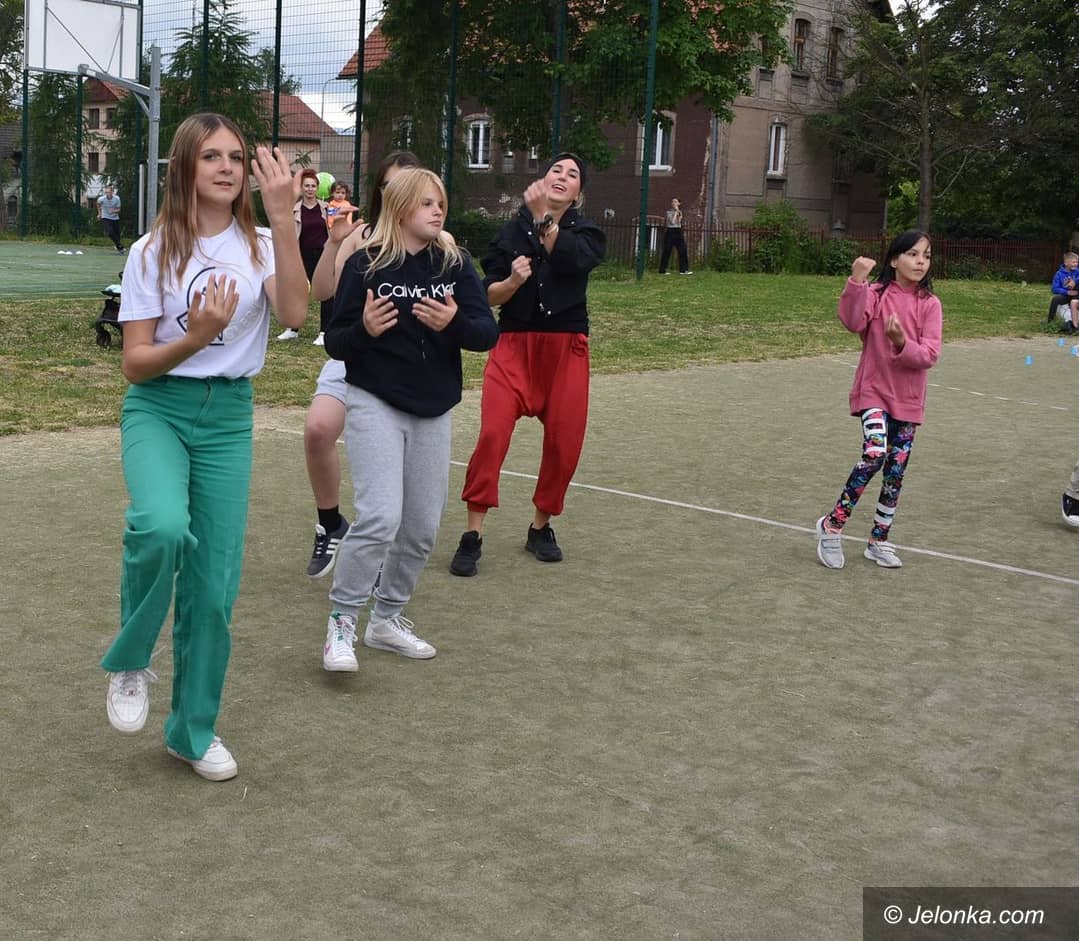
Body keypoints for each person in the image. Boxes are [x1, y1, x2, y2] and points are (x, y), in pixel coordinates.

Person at [100, 113, 308, 781]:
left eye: (237, 158)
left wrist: (285, 220)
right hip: (159, 407)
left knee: (213, 588)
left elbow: (297, 314)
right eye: (212, 156)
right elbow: (135, 364)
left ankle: (191, 732)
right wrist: (195, 336)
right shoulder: (151, 251)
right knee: (162, 526)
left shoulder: (262, 244)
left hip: (228, 418)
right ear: (186, 166)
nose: (227, 168)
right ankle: (132, 659)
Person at [320, 167, 497, 670]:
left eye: (440, 202)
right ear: (399, 208)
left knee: (420, 528)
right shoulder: (365, 265)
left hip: (433, 408)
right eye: (426, 203)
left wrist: (454, 322)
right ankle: (342, 622)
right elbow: (336, 341)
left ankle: (386, 620)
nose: (437, 211)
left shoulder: (454, 265)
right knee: (381, 516)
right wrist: (365, 329)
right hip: (374, 400)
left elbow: (487, 333)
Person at [449, 153, 606, 577]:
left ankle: (540, 527)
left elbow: (571, 259)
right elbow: (488, 294)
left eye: (573, 174)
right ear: (543, 178)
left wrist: (543, 220)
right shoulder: (510, 231)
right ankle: (473, 533)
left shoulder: (587, 232)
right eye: (557, 169)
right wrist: (513, 281)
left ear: (579, 192)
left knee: (564, 443)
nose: (563, 176)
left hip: (565, 349)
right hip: (514, 347)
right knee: (492, 434)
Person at [301, 151, 419, 579]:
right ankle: (331, 524)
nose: (396, 193)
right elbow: (321, 292)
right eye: (388, 185)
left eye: (406, 185)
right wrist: (335, 242)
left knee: (394, 469)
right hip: (354, 353)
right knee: (318, 429)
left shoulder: (432, 239)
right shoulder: (360, 235)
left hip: (404, 365)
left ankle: (386, 546)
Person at [814, 230, 941, 570]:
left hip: (908, 401)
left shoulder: (931, 304)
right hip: (874, 393)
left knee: (895, 472)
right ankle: (832, 525)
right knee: (874, 453)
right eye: (913, 254)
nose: (921, 262)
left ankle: (878, 540)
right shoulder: (875, 294)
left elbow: (929, 354)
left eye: (927, 256)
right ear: (894, 260)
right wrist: (856, 281)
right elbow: (852, 321)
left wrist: (901, 342)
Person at [278, 168, 329, 343]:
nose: (310, 189)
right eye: (306, 186)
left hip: (323, 255)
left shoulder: (327, 208)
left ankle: (324, 332)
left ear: (317, 188)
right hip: (301, 255)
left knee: (326, 294)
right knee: (297, 292)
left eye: (313, 186)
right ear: (301, 188)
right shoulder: (294, 210)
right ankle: (293, 329)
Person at [1047, 250, 1079, 333]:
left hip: (1077, 295)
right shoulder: (1059, 274)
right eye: (1073, 262)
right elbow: (1054, 289)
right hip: (1067, 295)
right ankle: (1050, 322)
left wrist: (1075, 281)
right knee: (1055, 299)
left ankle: (1074, 324)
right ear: (1066, 263)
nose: (1076, 264)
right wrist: (1066, 292)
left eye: (1077, 262)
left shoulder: (1078, 271)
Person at [658, 197, 690, 275]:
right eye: (672, 202)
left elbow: (678, 222)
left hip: (678, 231)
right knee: (667, 250)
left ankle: (683, 270)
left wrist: (678, 213)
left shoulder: (680, 212)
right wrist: (675, 212)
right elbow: (672, 222)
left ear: (679, 203)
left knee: (683, 250)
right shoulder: (669, 212)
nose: (673, 203)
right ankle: (662, 270)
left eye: (675, 202)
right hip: (670, 231)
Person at [98, 184, 124, 254]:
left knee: (117, 234)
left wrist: (113, 211)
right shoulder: (101, 199)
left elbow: (119, 209)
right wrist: (99, 213)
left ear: (112, 192)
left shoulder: (117, 199)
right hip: (105, 217)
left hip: (115, 218)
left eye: (109, 192)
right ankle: (120, 246)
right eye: (106, 192)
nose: (107, 194)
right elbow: (98, 204)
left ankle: (118, 247)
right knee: (110, 232)